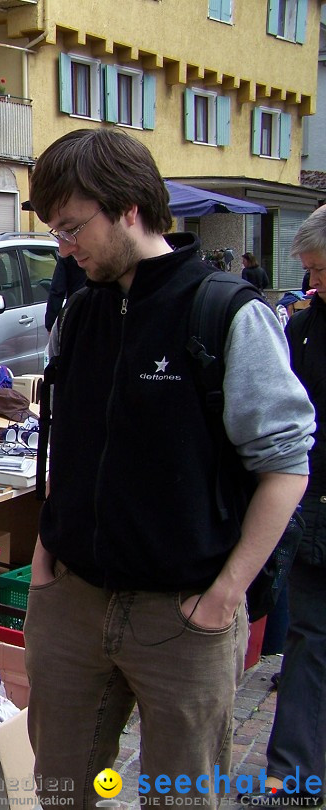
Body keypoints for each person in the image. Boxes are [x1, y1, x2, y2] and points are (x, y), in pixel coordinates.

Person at [25, 129, 313, 808]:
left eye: (72, 227)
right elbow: (70, 445)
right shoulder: (81, 312)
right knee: (61, 791)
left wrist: (223, 597)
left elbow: (287, 467)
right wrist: (45, 554)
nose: (65, 248)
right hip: (71, 601)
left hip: (182, 616)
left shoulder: (227, 313)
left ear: (127, 206)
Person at [247, 205, 326, 807]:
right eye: (308, 273)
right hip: (313, 511)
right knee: (309, 639)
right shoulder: (300, 330)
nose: (311, 285)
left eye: (321, 272)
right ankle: (292, 774)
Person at [44, 254, 86, 331]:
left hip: (75, 312)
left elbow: (57, 291)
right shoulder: (103, 252)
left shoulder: (69, 252)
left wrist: (51, 324)